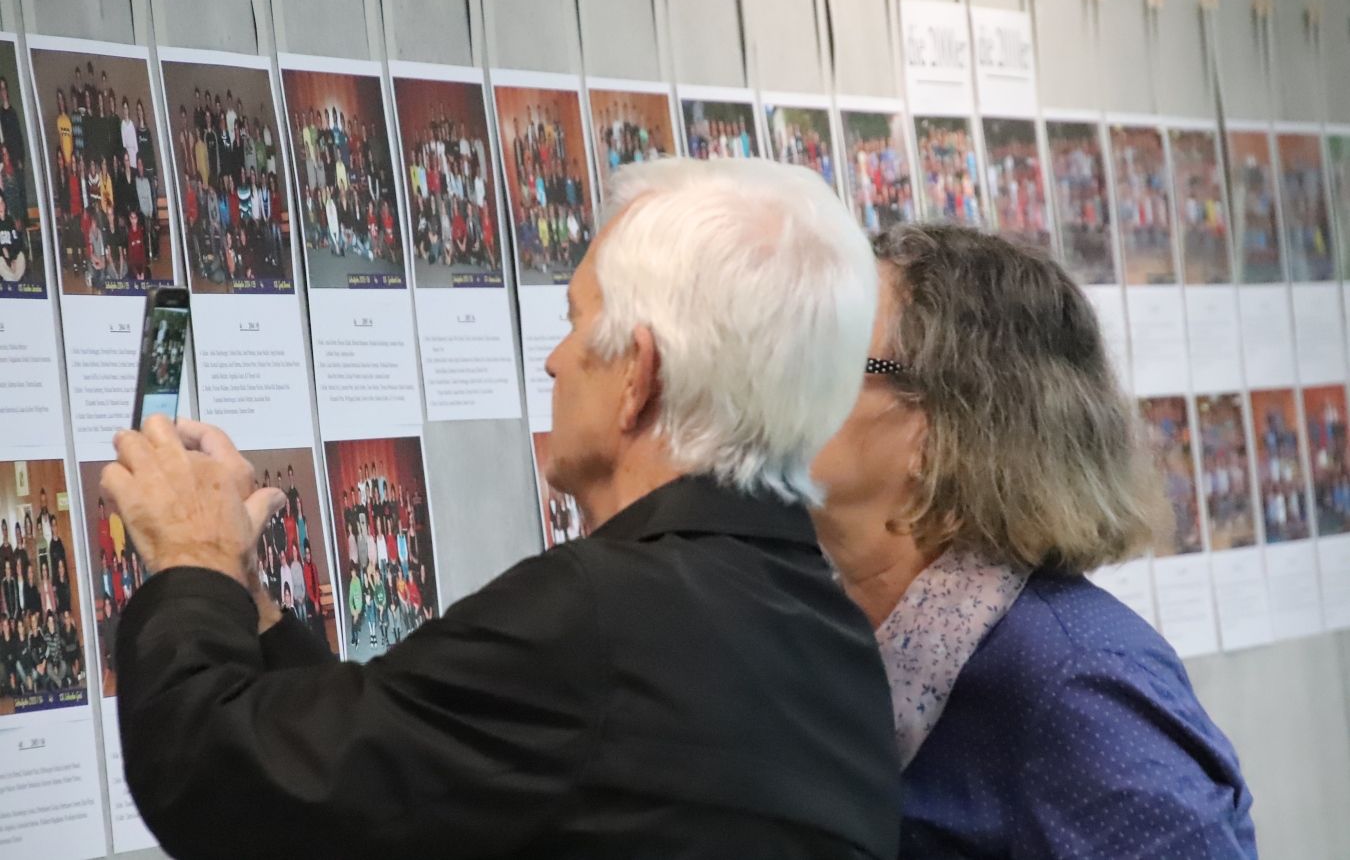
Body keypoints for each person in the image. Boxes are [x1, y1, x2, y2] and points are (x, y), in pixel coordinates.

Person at [104, 159, 898, 858]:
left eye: (576, 322)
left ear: (638, 375)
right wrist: (246, 599)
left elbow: (224, 785)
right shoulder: (830, 636)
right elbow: (386, 772)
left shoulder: (601, 617)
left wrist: (192, 555)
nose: (554, 360)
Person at [810, 223, 1256, 857]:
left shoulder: (1073, 679)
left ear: (944, 422)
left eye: (830, 355)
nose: (779, 381)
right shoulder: (830, 632)